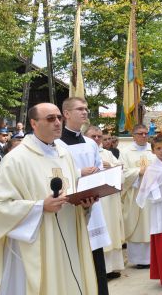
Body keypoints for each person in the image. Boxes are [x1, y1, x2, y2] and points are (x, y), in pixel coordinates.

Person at [0, 103, 98, 294]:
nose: (58, 122)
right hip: (38, 243)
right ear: (33, 124)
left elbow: (73, 189)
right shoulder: (16, 159)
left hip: (68, 235)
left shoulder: (64, 154)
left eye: (59, 117)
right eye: (50, 118)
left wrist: (84, 204)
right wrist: (40, 206)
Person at [58, 97, 111, 295]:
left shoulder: (90, 143)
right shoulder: (57, 144)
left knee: (96, 258)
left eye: (86, 109)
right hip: (70, 206)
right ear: (67, 114)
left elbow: (97, 168)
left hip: (93, 203)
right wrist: (80, 173)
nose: (85, 112)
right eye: (80, 109)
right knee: (76, 255)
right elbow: (57, 173)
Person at [85, 125, 126, 280]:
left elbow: (123, 171)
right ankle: (99, 269)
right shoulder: (83, 152)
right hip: (94, 200)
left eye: (99, 136)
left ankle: (112, 267)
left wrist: (112, 167)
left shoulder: (108, 154)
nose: (96, 139)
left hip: (109, 199)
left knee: (111, 231)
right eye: (93, 136)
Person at [137, 136, 162, 290]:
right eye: (158, 148)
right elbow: (147, 189)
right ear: (153, 151)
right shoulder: (152, 169)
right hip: (161, 207)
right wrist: (160, 192)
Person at [119, 124, 154, 268]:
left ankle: (154, 258)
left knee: (151, 224)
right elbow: (122, 173)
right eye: (140, 133)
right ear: (133, 135)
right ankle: (139, 259)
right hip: (135, 195)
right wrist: (138, 172)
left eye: (146, 133)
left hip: (152, 196)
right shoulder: (125, 152)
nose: (144, 136)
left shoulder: (153, 150)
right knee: (138, 226)